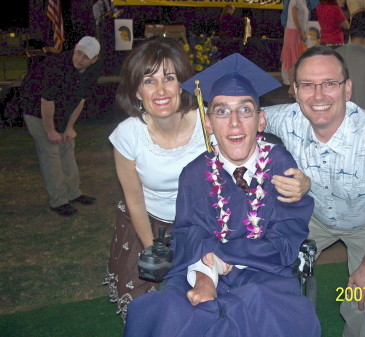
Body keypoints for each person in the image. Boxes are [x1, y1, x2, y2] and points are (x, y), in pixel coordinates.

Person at [104, 37, 310, 322]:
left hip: (262, 271)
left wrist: (217, 262)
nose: (235, 122)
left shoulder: (279, 163)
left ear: (261, 121)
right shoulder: (192, 171)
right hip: (169, 236)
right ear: (209, 124)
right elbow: (183, 228)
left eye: (245, 110)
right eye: (223, 111)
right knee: (160, 313)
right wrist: (203, 270)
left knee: (258, 311)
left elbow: (287, 234)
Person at [263, 46, 365, 337]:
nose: (318, 96)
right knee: (266, 267)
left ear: (347, 89)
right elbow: (240, 117)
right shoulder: (287, 117)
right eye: (307, 85)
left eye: (329, 83)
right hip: (314, 216)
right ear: (294, 90)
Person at [21, 36, 101, 217]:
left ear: (94, 59)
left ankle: (74, 193)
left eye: (85, 57)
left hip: (61, 109)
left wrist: (69, 127)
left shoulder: (93, 70)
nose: (79, 59)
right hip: (36, 109)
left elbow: (81, 99)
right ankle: (58, 200)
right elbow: (46, 101)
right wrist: (50, 130)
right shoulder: (56, 65)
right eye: (78, 53)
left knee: (67, 147)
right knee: (51, 152)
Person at [280, 0, 309, 97]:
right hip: (294, 32)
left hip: (296, 32)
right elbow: (295, 17)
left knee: (295, 61)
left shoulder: (303, 1)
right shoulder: (295, 1)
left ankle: (293, 88)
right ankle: (292, 88)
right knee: (293, 61)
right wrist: (302, 32)